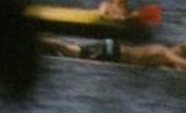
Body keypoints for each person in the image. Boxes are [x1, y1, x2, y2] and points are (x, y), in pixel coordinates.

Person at [39, 33, 186, 71]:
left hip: (113, 50)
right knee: (73, 52)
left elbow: (177, 65)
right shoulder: (164, 51)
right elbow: (180, 62)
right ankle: (43, 40)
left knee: (73, 51)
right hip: (113, 51)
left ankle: (48, 43)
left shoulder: (162, 56)